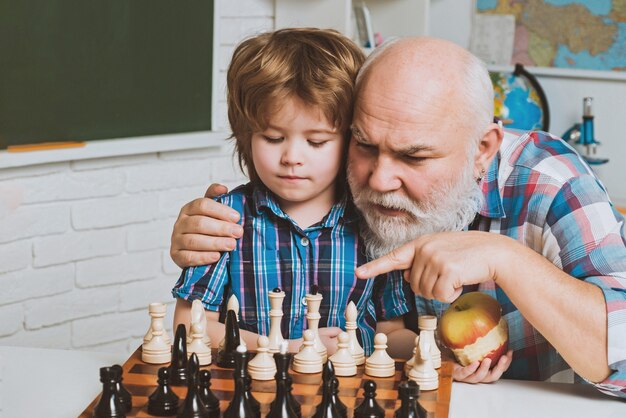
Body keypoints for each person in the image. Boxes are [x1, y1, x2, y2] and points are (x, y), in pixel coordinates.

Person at [170, 36, 626, 398]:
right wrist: (197, 231)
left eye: (413, 156)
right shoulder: (339, 183)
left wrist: (504, 258)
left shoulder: (551, 183)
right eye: (364, 144)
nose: (380, 179)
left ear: (482, 149)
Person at [171, 28, 408, 355]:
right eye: (272, 137)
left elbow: (391, 332)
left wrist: (440, 348)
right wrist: (284, 347)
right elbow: (189, 325)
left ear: (354, 140)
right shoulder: (224, 220)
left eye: (316, 142)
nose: (292, 158)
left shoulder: (375, 221)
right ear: (247, 135)